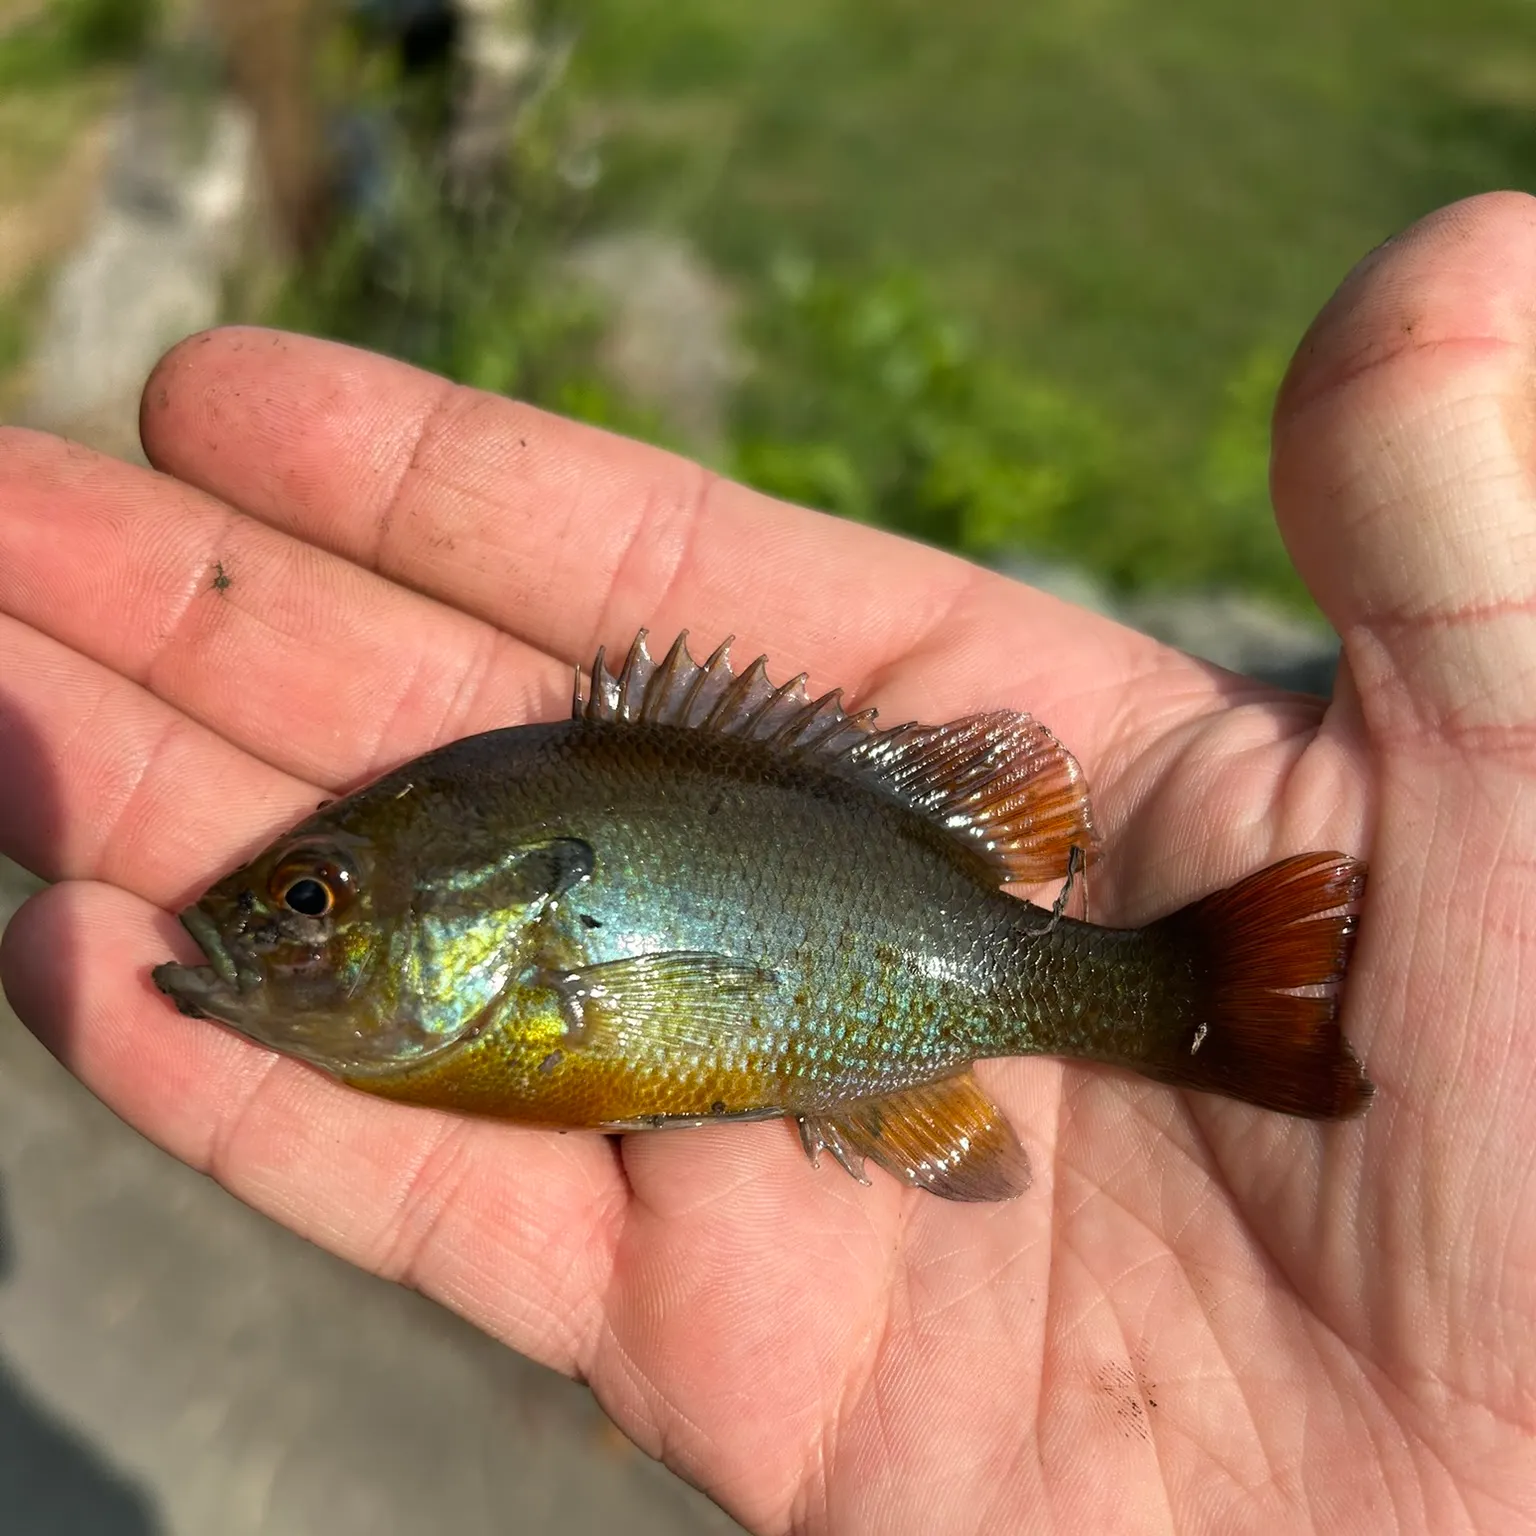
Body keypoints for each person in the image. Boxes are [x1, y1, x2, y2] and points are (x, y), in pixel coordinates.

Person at [0, 191, 1531, 1532]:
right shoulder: (486, 946)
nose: (293, 924)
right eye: (305, 902)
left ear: (513, 918)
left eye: (316, 898)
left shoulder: (503, 935)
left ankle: (1179, 1001)